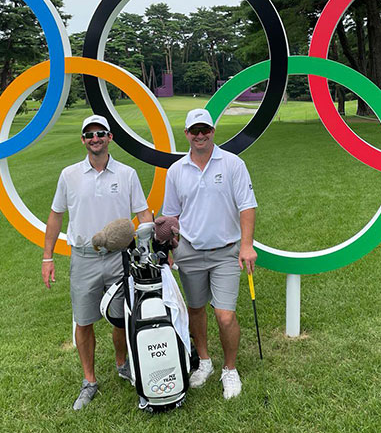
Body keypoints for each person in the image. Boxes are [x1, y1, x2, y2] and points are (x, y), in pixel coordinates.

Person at [41, 114, 153, 411]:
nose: (95, 138)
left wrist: (147, 248)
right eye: (89, 134)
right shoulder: (69, 175)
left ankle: (122, 364)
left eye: (100, 133)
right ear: (83, 140)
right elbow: (56, 215)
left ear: (110, 137)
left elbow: (143, 215)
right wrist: (47, 256)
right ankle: (89, 381)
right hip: (83, 258)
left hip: (119, 259)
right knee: (84, 320)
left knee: (122, 318)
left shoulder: (127, 174)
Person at [161, 108, 257, 400]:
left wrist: (246, 245)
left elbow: (247, 206)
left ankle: (230, 369)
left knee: (225, 315)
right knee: (195, 309)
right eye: (195, 131)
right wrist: (168, 247)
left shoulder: (232, 164)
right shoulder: (176, 171)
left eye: (205, 130)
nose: (200, 136)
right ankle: (204, 361)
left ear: (213, 132)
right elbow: (171, 216)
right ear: (187, 134)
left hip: (226, 251)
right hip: (189, 250)